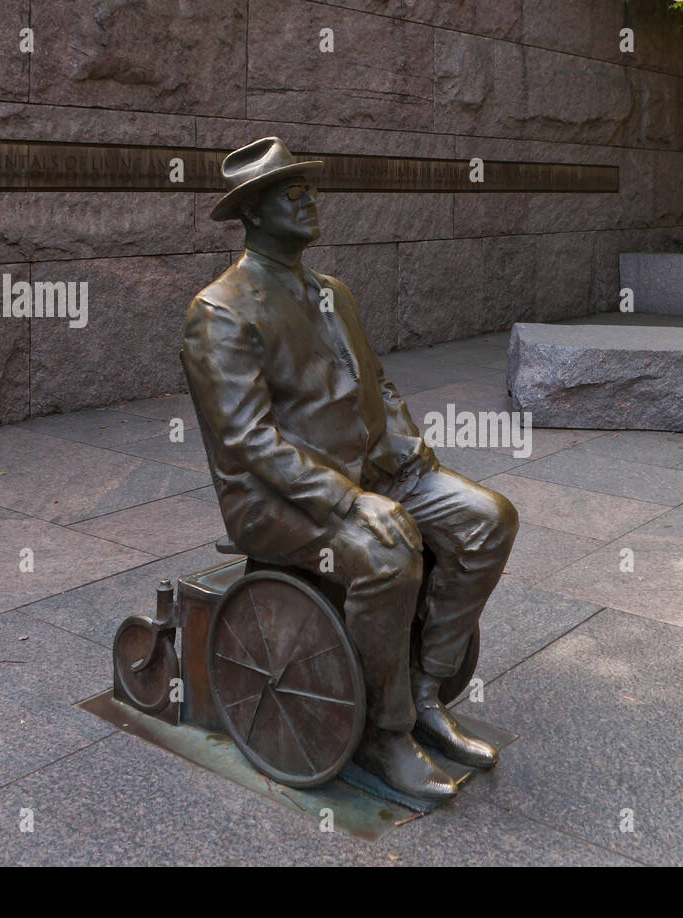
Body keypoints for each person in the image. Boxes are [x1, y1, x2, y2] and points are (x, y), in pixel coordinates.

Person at [182, 138, 518, 801]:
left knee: (489, 519)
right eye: (290, 192)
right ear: (251, 213)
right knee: (386, 555)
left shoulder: (335, 291)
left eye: (309, 188)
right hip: (278, 500)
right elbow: (248, 440)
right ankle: (383, 734)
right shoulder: (221, 310)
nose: (308, 200)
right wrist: (348, 501)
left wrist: (410, 453)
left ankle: (425, 692)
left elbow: (377, 384)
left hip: (376, 474)